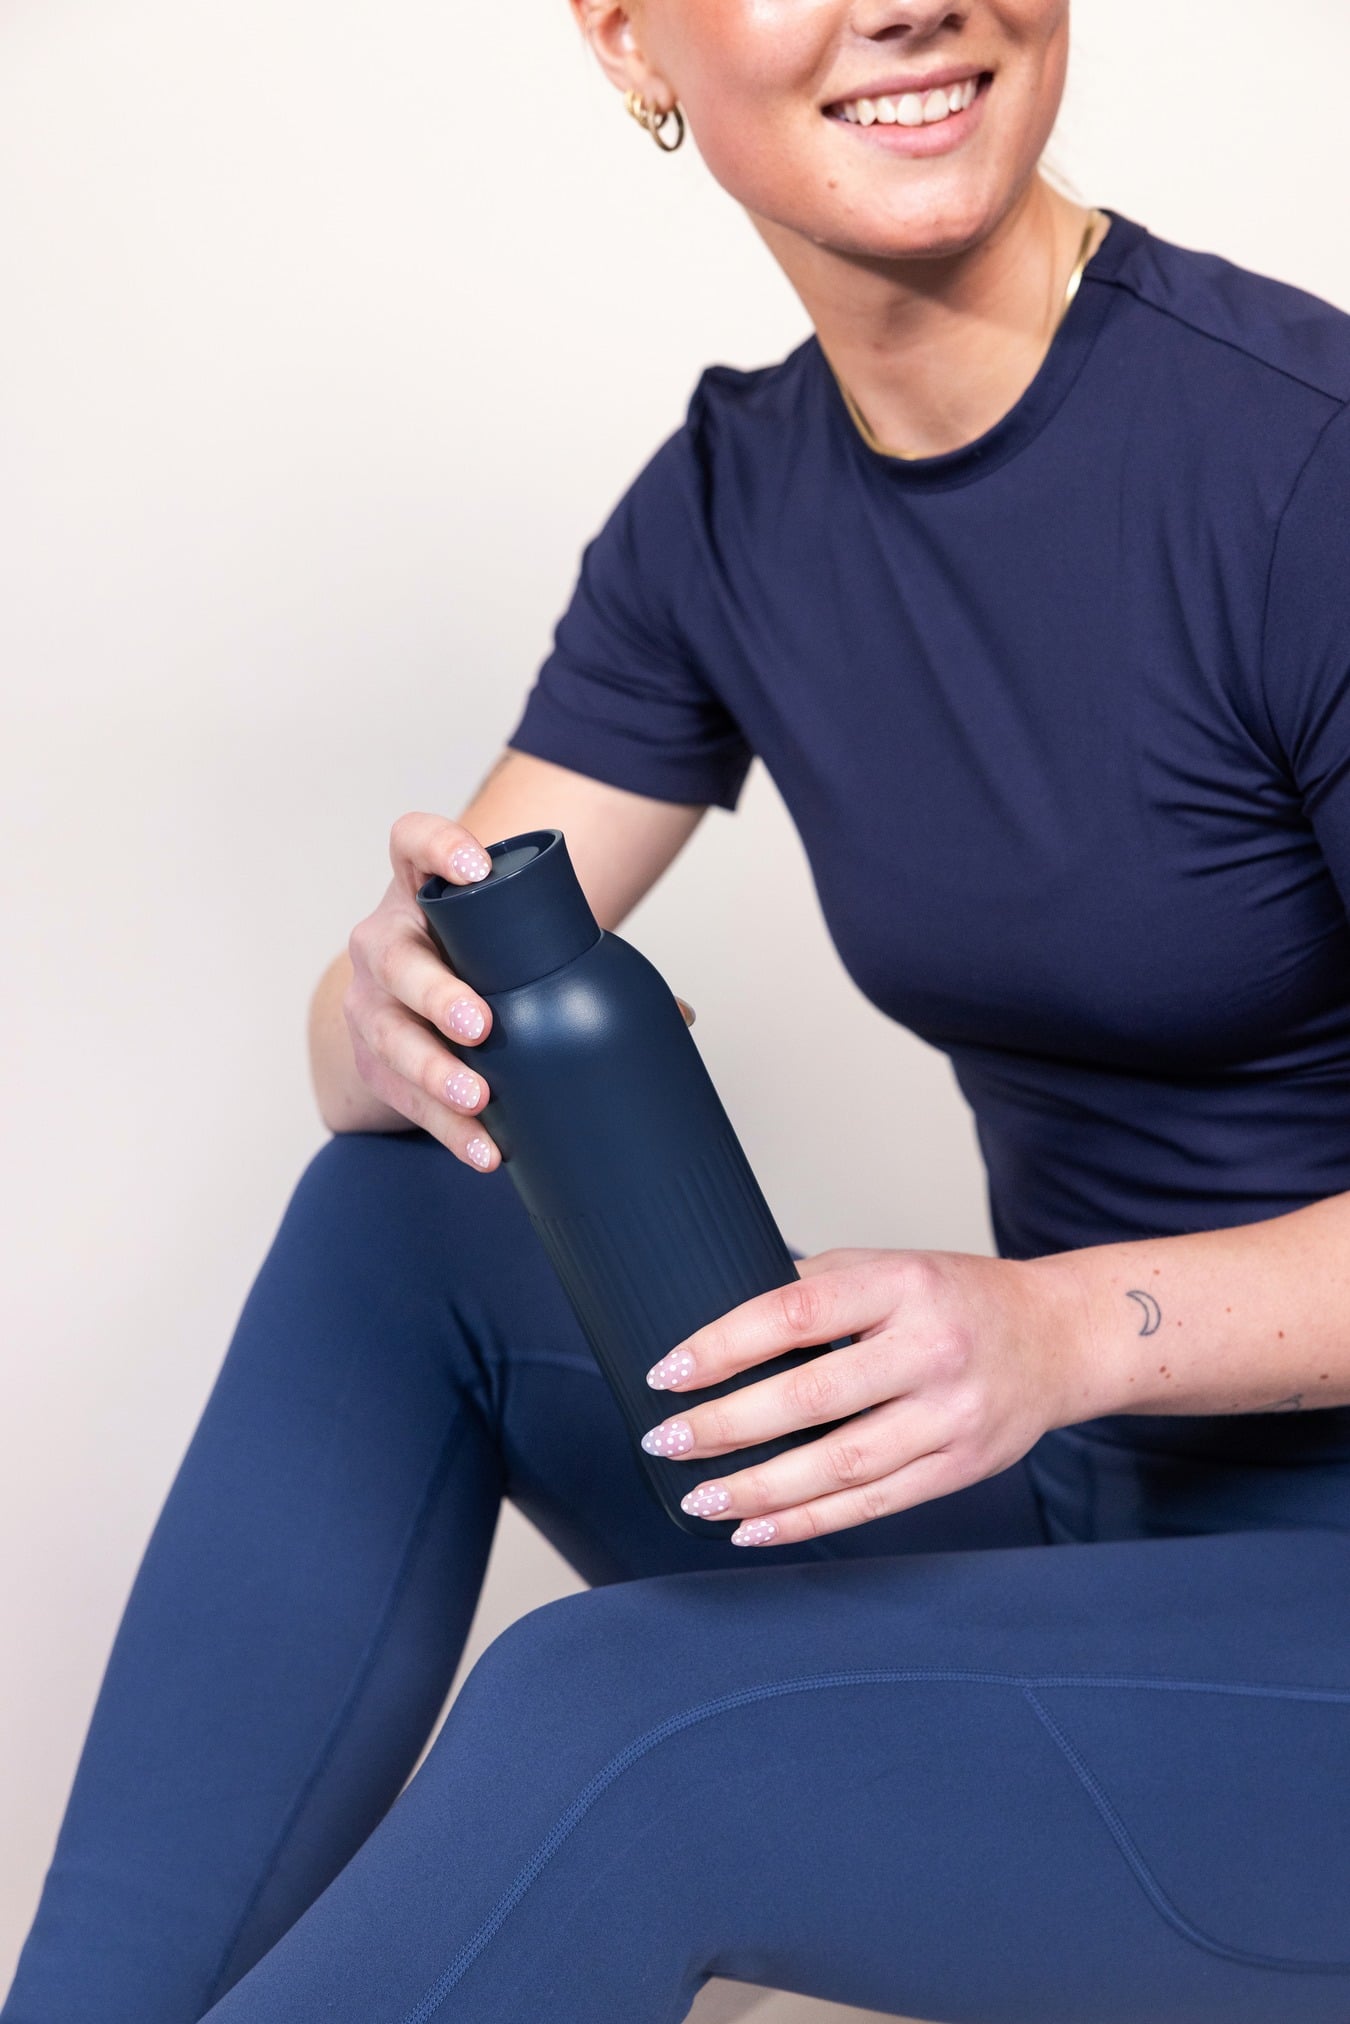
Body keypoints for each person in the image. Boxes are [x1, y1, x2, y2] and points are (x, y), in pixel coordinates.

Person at [7, 0, 1350, 2018]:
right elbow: (383, 1026)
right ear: (630, 39)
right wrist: (381, 1005)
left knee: (622, 1726)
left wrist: (1060, 1329)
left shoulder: (1302, 467)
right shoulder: (731, 509)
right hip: (1099, 1525)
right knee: (401, 1214)